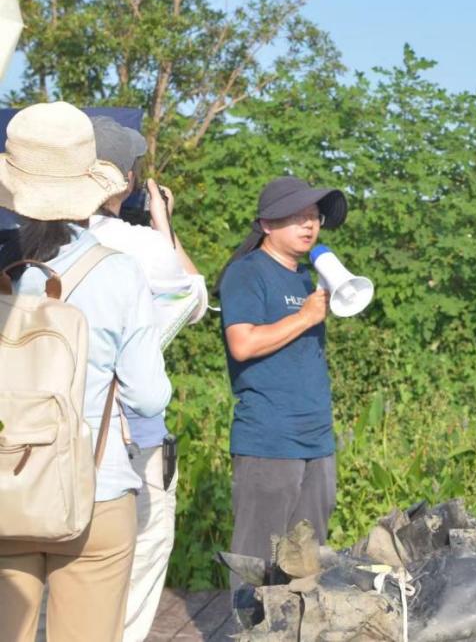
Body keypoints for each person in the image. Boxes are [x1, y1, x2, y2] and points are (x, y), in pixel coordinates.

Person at [0, 102, 171, 642]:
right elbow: (147, 397)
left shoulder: (5, 270)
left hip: (5, 484)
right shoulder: (118, 271)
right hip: (95, 489)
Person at [87, 116, 208, 642]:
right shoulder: (140, 246)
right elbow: (194, 300)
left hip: (40, 441)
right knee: (136, 569)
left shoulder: (26, 241)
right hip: (127, 442)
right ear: (129, 181)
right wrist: (163, 225)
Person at [215, 176, 347, 583]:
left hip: (317, 440)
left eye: (315, 216)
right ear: (267, 224)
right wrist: (305, 317)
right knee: (257, 565)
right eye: (298, 216)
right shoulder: (246, 273)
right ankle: (248, 620)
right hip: (269, 440)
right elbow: (242, 344)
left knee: (307, 564)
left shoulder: (306, 277)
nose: (310, 224)